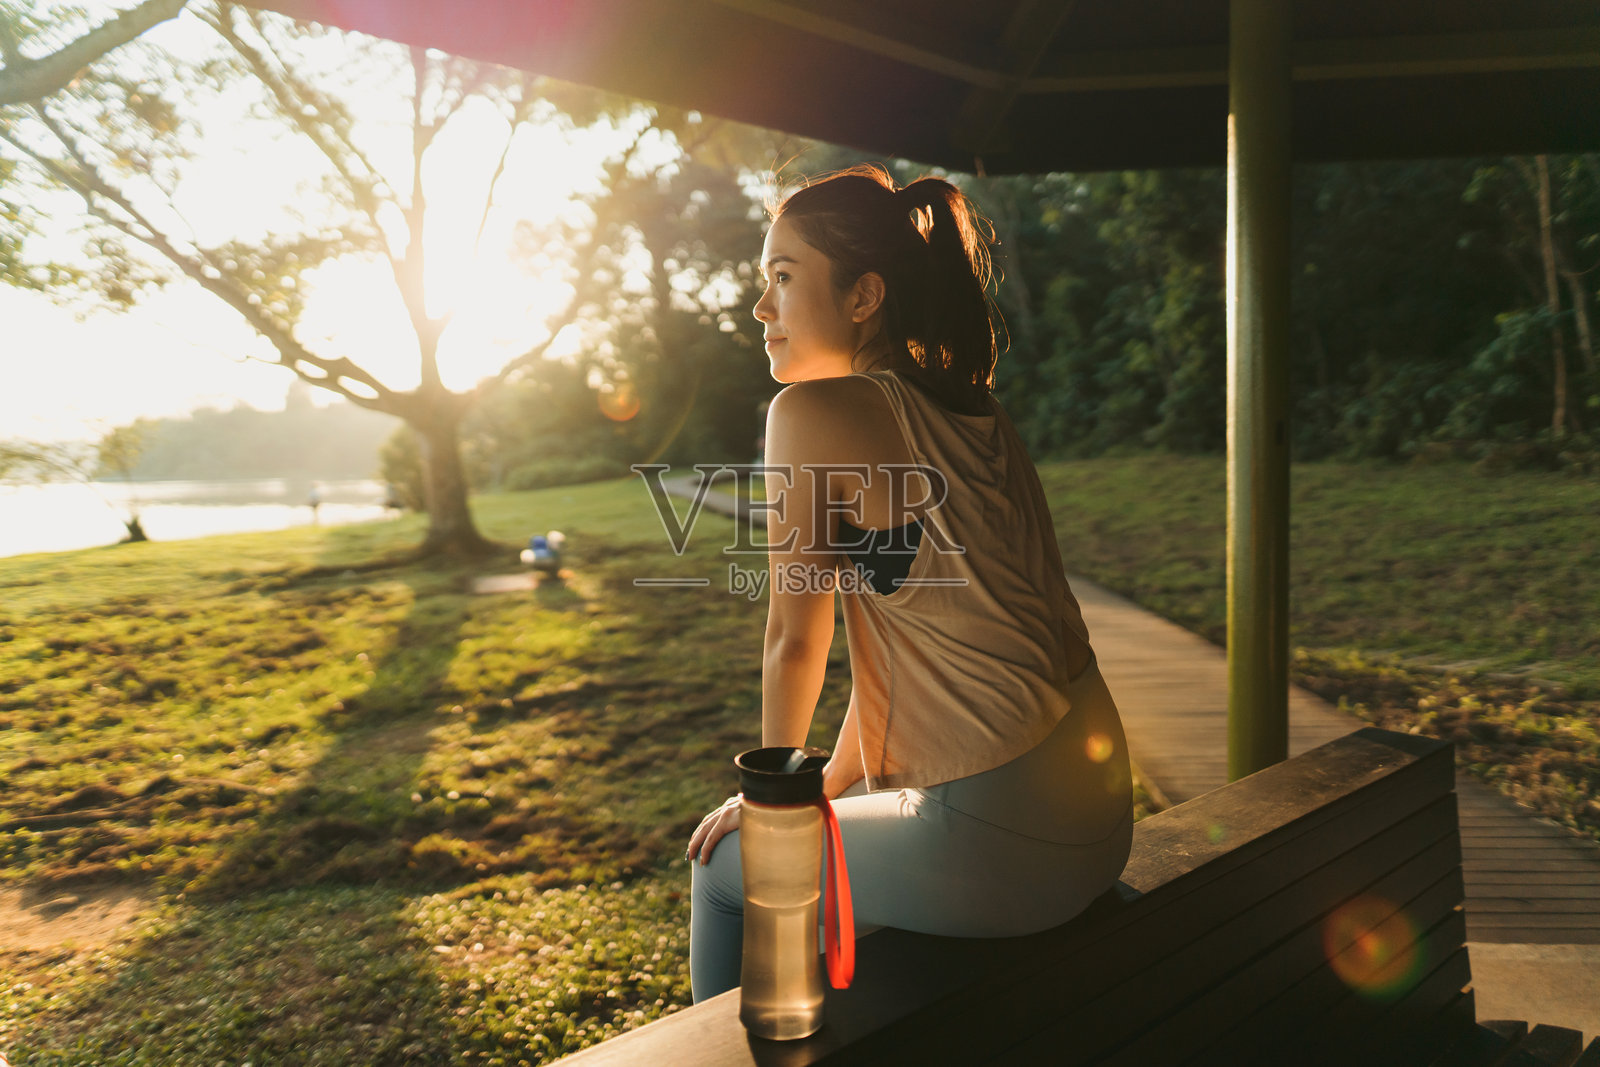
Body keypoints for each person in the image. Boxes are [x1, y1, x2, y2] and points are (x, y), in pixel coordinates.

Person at [684, 165, 1135, 1001]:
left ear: (863, 297)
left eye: (782, 278)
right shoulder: (977, 408)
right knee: (842, 903)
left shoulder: (813, 413)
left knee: (727, 873)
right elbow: (917, 646)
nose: (761, 309)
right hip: (1101, 820)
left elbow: (794, 638)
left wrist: (775, 804)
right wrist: (823, 784)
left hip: (1004, 842)